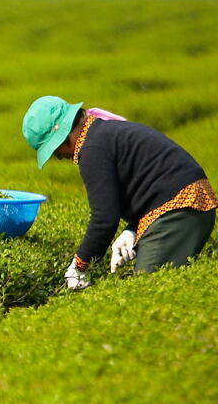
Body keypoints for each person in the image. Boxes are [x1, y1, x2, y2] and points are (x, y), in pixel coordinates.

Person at [22, 95, 215, 289]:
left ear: (62, 136)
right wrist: (132, 229)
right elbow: (145, 185)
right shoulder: (102, 134)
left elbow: (104, 218)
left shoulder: (92, 149)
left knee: (146, 291)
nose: (60, 157)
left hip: (179, 208)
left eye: (55, 151)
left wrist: (79, 265)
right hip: (182, 203)